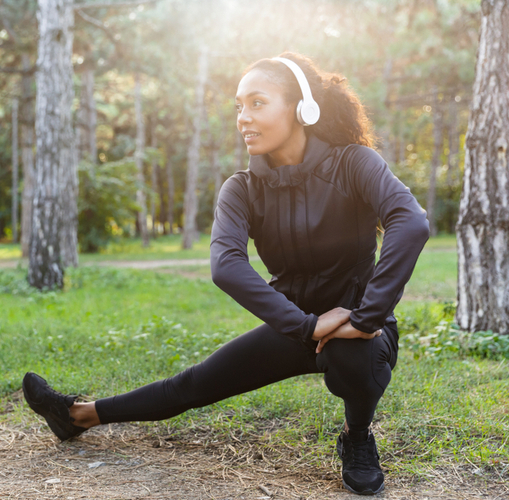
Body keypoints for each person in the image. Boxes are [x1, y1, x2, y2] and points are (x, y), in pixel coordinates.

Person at [23, 52, 429, 496]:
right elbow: (227, 266)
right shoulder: (241, 189)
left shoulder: (354, 163)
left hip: (359, 328)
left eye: (257, 103)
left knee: (355, 356)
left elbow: (410, 222)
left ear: (300, 107)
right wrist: (306, 326)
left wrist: (365, 317)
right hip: (294, 325)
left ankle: (356, 439)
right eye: (238, 106)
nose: (243, 118)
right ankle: (76, 416)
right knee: (192, 384)